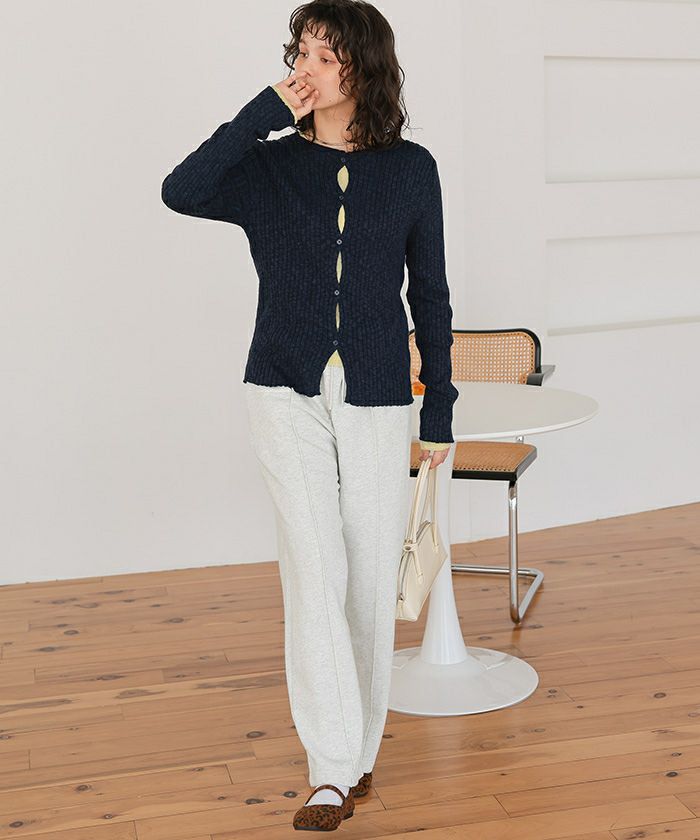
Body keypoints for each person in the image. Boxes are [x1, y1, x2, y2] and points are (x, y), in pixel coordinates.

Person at [161, 0, 458, 830]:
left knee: (367, 574)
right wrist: (261, 112)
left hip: (378, 391)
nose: (306, 68)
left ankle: (358, 752)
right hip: (281, 389)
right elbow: (181, 190)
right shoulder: (268, 167)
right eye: (299, 52)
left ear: (363, 67)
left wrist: (440, 409)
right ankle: (330, 769)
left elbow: (431, 295)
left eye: (326, 55)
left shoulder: (412, 170)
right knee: (314, 570)